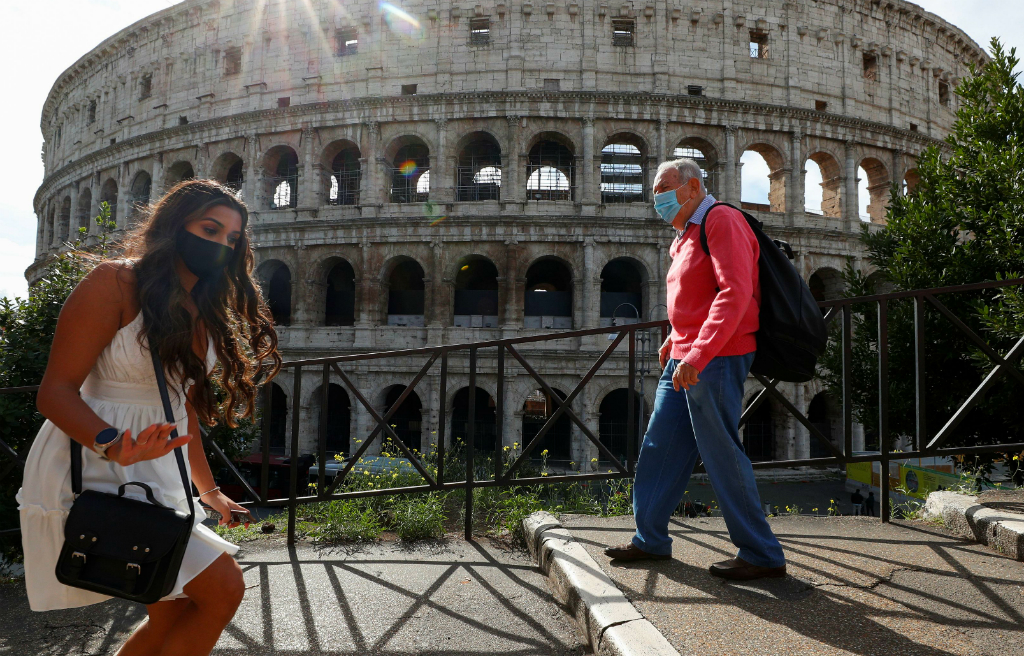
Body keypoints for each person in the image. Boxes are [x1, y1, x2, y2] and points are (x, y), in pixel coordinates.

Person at [17, 180, 281, 655]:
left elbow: (182, 415)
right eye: (210, 228)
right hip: (94, 462)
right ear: (174, 226)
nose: (221, 243)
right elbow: (54, 392)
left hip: (159, 468)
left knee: (175, 607)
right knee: (223, 589)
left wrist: (211, 491)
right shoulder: (115, 282)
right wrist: (113, 442)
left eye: (232, 238)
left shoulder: (206, 309)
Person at [603, 158, 786, 581]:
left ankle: (761, 552)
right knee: (658, 447)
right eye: (654, 190)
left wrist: (698, 353)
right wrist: (675, 338)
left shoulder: (722, 220)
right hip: (687, 356)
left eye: (663, 187)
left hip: (715, 357)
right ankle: (649, 539)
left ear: (692, 187)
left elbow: (734, 292)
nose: (656, 197)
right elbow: (695, 297)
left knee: (721, 452)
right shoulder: (686, 234)